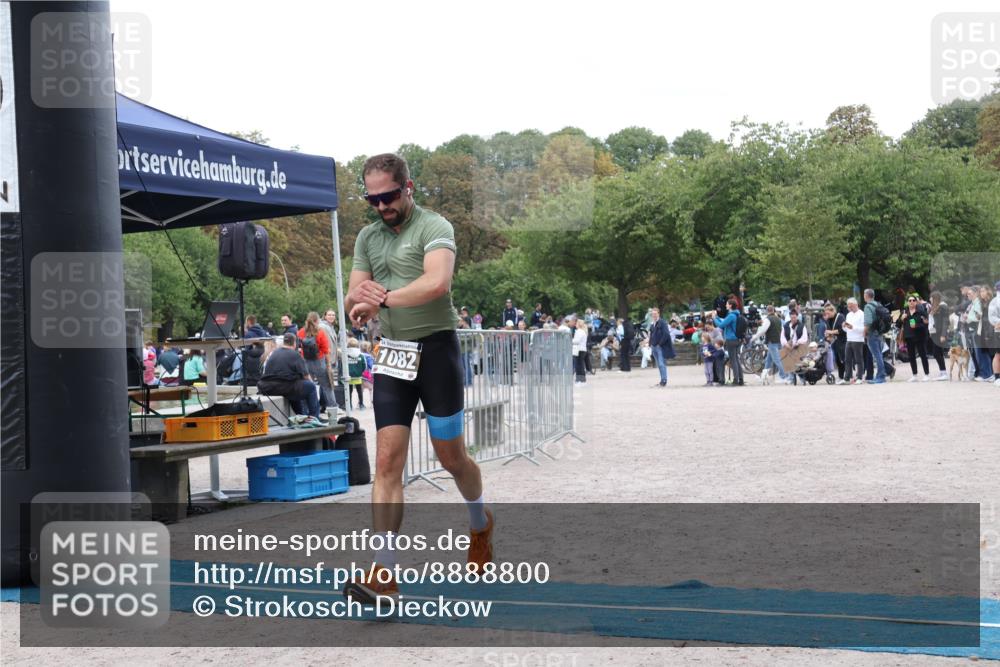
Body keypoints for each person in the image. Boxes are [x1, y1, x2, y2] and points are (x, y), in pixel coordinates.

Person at [343, 153, 491, 604]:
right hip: (394, 355)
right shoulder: (368, 236)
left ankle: (480, 523)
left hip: (437, 352)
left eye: (388, 196)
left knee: (452, 459)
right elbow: (352, 295)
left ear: (408, 187)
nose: (381, 206)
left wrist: (381, 299)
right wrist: (357, 304)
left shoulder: (434, 226)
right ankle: (384, 572)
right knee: (387, 462)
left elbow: (436, 283)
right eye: (372, 199)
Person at [257, 333, 320, 419]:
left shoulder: (274, 353)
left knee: (295, 388)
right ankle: (314, 418)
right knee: (311, 387)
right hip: (284, 386)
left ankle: (301, 416)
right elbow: (306, 376)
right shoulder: (295, 354)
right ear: (294, 343)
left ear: (284, 342)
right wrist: (314, 386)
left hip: (268, 387)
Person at [298, 311, 334, 415]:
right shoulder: (320, 332)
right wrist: (328, 365)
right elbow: (326, 350)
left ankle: (307, 411)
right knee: (327, 387)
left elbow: (298, 347)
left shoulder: (301, 332)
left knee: (307, 387)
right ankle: (332, 409)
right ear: (317, 320)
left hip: (305, 362)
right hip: (319, 361)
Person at [751, 304, 788, 384]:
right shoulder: (778, 319)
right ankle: (764, 376)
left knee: (777, 360)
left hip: (772, 342)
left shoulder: (768, 319)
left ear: (767, 311)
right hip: (778, 341)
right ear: (773, 310)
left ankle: (784, 377)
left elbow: (763, 330)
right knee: (768, 360)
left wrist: (754, 337)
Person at [899, 294, 931, 382]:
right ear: (907, 302)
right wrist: (901, 319)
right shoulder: (904, 312)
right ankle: (914, 375)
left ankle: (926, 374)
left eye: (913, 300)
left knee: (923, 355)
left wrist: (916, 326)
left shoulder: (921, 311)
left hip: (920, 336)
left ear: (916, 302)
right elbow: (898, 325)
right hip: (909, 337)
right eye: (910, 300)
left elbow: (926, 324)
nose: (911, 302)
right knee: (911, 356)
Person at [713, 299, 743, 386]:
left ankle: (736, 380)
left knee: (733, 360)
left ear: (730, 305)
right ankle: (740, 379)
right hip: (737, 339)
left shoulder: (731, 315)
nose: (725, 305)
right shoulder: (736, 314)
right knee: (736, 359)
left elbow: (721, 325)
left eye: (727, 304)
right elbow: (724, 322)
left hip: (731, 339)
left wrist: (714, 318)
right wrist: (717, 317)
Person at [862, 289, 888, 384]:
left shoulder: (868, 306)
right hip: (879, 333)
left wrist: (864, 332)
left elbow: (868, 322)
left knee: (877, 356)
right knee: (879, 355)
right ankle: (881, 375)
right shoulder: (878, 304)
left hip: (872, 333)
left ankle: (881, 376)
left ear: (866, 296)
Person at [647, 307, 675, 387]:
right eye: (653, 314)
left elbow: (666, 334)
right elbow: (651, 335)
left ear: (658, 314)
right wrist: (650, 344)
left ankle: (664, 381)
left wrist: (660, 344)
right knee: (659, 364)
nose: (654, 315)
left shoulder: (662, 322)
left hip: (660, 347)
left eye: (655, 314)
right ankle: (662, 380)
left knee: (661, 364)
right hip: (654, 346)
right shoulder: (652, 323)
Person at [780, 310, 809, 385]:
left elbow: (804, 337)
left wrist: (797, 343)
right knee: (788, 361)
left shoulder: (802, 326)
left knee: (799, 362)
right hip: (788, 346)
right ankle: (791, 378)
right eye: (792, 317)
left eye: (794, 317)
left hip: (799, 346)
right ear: (790, 317)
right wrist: (786, 344)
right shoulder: (786, 325)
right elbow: (782, 336)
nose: (793, 319)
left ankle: (802, 378)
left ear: (797, 317)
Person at [926, 291, 950, 381]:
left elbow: (945, 321)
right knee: (937, 353)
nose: (930, 299)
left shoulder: (943, 306)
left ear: (935, 298)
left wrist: (943, 334)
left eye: (931, 297)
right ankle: (942, 372)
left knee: (937, 353)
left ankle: (944, 373)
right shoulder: (934, 307)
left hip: (939, 333)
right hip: (934, 332)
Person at [842, 298, 866, 384]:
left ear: (856, 305)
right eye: (848, 307)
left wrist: (853, 327)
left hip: (858, 339)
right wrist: (844, 327)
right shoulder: (848, 315)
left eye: (851, 306)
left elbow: (864, 329)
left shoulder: (862, 314)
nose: (850, 308)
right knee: (847, 359)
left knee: (858, 359)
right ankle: (847, 378)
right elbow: (846, 330)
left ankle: (860, 377)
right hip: (849, 339)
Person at [820, 304, 846, 381]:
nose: (827, 315)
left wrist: (831, 332)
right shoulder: (828, 320)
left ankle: (847, 376)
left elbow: (843, 330)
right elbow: (829, 331)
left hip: (843, 341)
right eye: (826, 314)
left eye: (828, 313)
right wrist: (828, 335)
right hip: (835, 342)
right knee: (837, 360)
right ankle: (841, 377)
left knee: (843, 359)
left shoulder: (840, 317)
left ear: (833, 311)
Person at [988, 281, 1000, 386]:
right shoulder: (994, 302)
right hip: (999, 331)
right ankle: (997, 378)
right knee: (998, 354)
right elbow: (992, 317)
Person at [573, 319, 589, 384]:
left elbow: (577, 341)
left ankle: (579, 379)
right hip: (582, 350)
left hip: (579, 350)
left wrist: (570, 340)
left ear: (579, 324)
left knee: (579, 365)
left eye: (576, 323)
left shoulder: (579, 331)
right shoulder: (582, 331)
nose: (575, 324)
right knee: (580, 365)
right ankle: (582, 379)